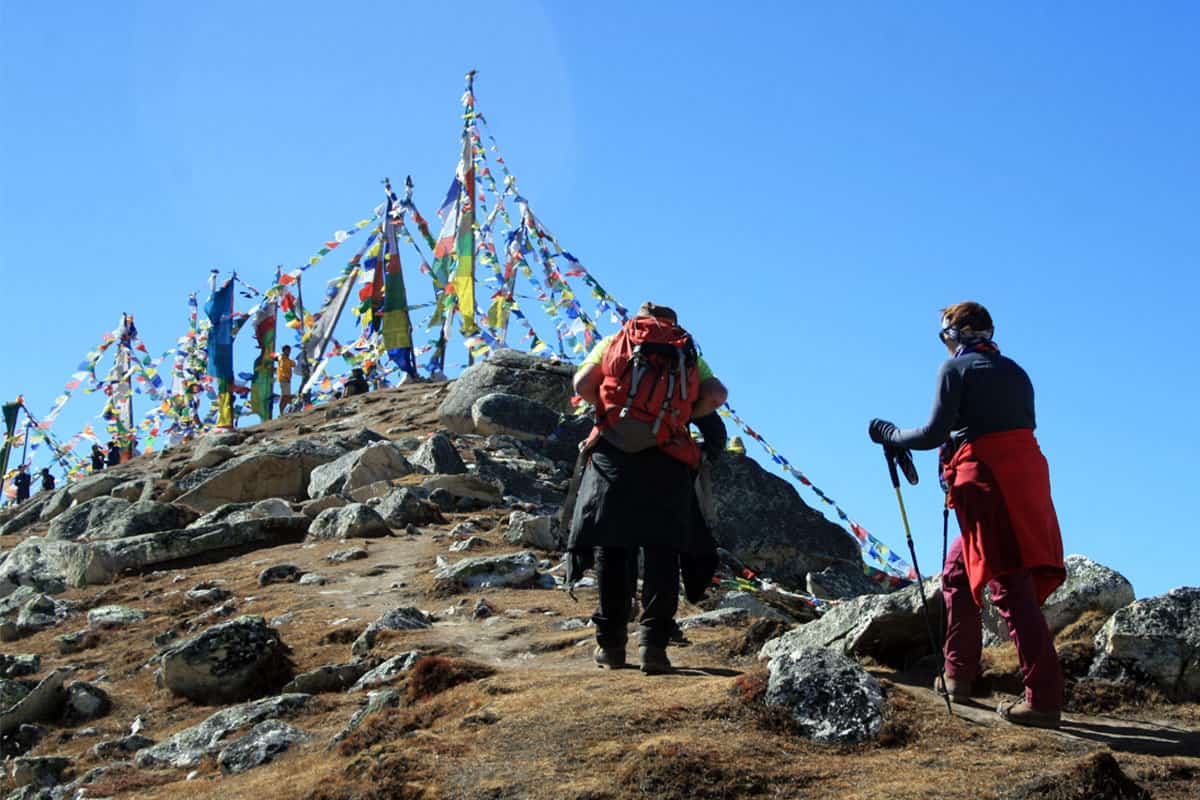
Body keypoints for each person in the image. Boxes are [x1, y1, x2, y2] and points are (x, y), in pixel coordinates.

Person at [868, 301, 1065, 728]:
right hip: (1026, 477)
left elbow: (935, 433)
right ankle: (958, 675)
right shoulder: (1016, 371)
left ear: (952, 335)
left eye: (943, 336)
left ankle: (1044, 699)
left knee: (1009, 582)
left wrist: (890, 434)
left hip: (986, 481)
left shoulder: (955, 369)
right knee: (958, 572)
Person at [567, 302, 728, 674]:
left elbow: (583, 384)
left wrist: (613, 412)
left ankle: (610, 646)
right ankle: (653, 648)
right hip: (667, 461)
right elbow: (716, 395)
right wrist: (676, 418)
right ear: (674, 325)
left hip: (612, 459)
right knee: (662, 553)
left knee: (612, 549)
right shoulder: (686, 352)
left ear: (636, 321)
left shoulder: (614, 342)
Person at [277, 345, 296, 411]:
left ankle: (283, 410)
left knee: (286, 395)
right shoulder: (282, 358)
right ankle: (281, 410)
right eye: (288, 350)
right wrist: (285, 376)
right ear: (284, 351)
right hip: (283, 378)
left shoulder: (287, 359)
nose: (289, 352)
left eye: (289, 350)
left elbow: (293, 364)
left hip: (287, 379)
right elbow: (282, 368)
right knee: (285, 395)